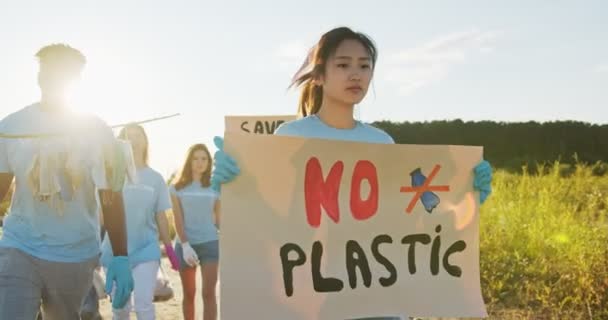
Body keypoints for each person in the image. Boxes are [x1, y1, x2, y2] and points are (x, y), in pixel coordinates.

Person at [210, 27, 493, 320]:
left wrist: (465, 191)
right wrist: (232, 189)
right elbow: (269, 217)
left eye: (364, 66)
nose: (355, 74)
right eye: (343, 65)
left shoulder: (383, 142)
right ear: (319, 75)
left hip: (376, 293)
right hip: (314, 292)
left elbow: (410, 218)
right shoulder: (291, 137)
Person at [0, 43, 134, 319]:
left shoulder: (96, 130)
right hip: (19, 245)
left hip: (75, 253)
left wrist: (121, 256)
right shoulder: (11, 128)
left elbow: (110, 195)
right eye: (49, 71)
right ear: (39, 76)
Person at [100, 123, 179, 319]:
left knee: (144, 304)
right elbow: (101, 216)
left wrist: (169, 249)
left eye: (138, 136)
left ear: (145, 142)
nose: (133, 141)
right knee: (120, 308)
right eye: (127, 136)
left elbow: (161, 217)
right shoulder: (110, 176)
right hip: (113, 253)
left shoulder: (156, 178)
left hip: (146, 250)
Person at [170, 143, 221, 320]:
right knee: (189, 294)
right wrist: (185, 245)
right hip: (186, 245)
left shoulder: (215, 187)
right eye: (196, 158)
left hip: (210, 244)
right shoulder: (176, 188)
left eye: (204, 159)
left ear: (209, 162)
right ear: (189, 161)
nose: (200, 162)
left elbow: (219, 219)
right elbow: (177, 219)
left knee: (208, 293)